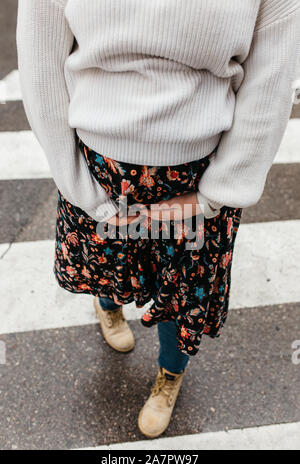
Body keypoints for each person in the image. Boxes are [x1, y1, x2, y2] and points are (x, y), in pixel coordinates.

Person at [16, 0, 300, 439]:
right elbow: (40, 66)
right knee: (106, 268)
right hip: (101, 173)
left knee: (182, 295)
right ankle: (108, 305)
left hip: (195, 179)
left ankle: (170, 376)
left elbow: (271, 82)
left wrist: (210, 198)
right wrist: (81, 188)